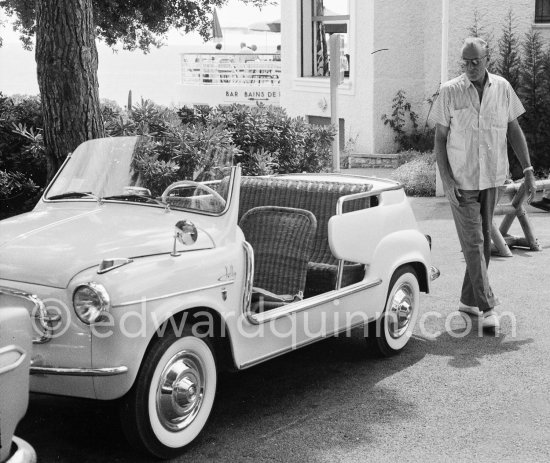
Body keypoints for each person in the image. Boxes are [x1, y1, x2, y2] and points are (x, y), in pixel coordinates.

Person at [430, 37, 537, 330]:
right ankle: (488, 307)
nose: (471, 67)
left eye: (476, 62)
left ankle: (468, 300)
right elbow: (439, 139)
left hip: (492, 178)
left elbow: (513, 129)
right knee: (475, 243)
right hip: (461, 181)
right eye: (466, 62)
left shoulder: (502, 88)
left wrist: (527, 169)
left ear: (487, 60)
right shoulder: (449, 91)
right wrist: (447, 179)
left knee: (483, 247)